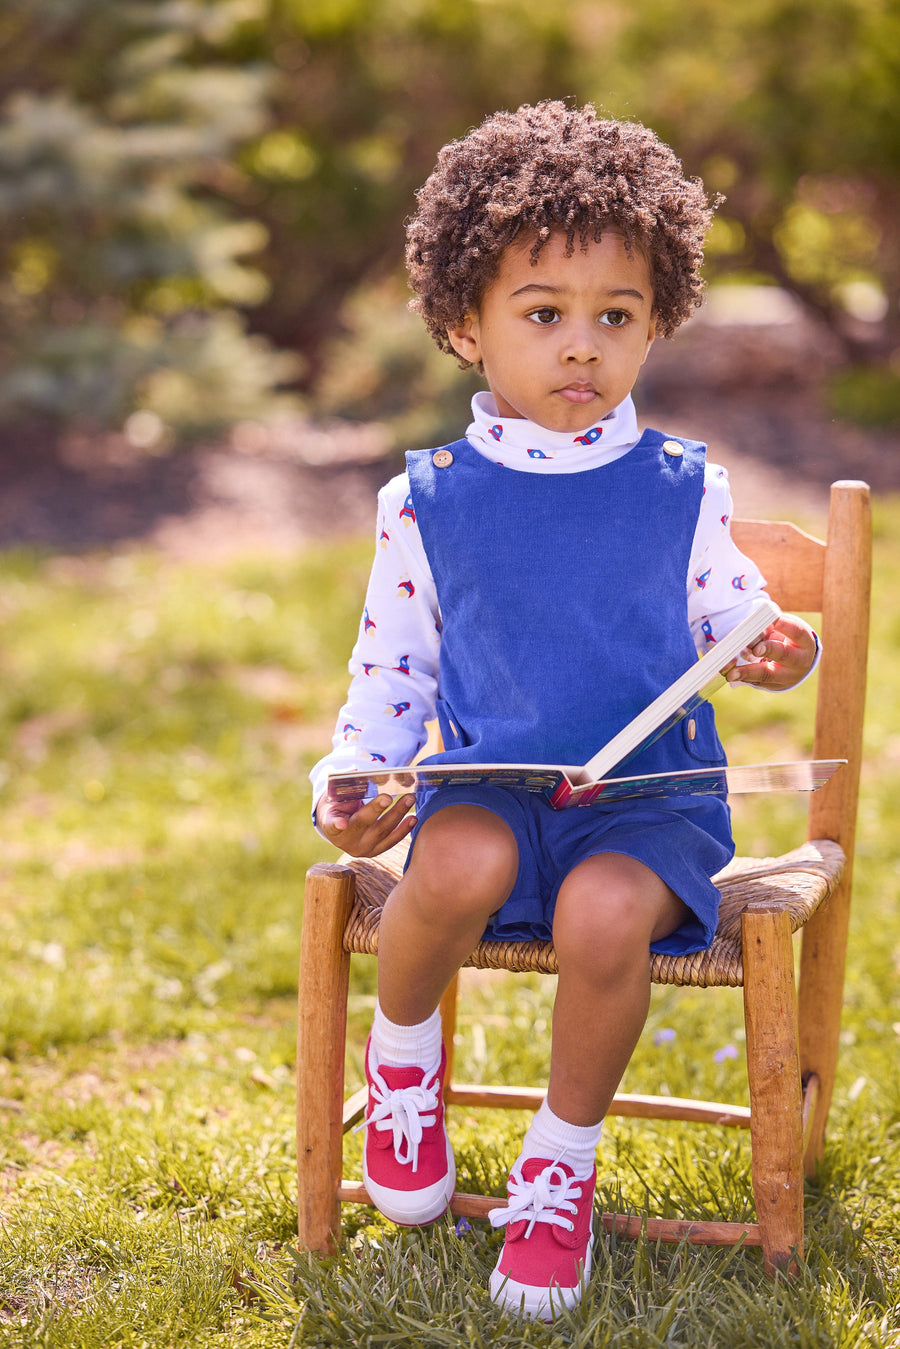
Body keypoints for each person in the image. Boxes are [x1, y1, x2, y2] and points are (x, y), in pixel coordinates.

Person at [309, 101, 818, 1320]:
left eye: (616, 317)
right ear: (464, 325)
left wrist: (776, 652)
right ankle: (406, 1060)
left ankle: (558, 1165)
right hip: (493, 785)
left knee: (601, 916)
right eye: (544, 314)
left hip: (647, 810)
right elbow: (396, 673)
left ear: (656, 324)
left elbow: (739, 624)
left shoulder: (685, 487)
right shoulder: (426, 498)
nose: (580, 347)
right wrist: (357, 777)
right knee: (461, 856)